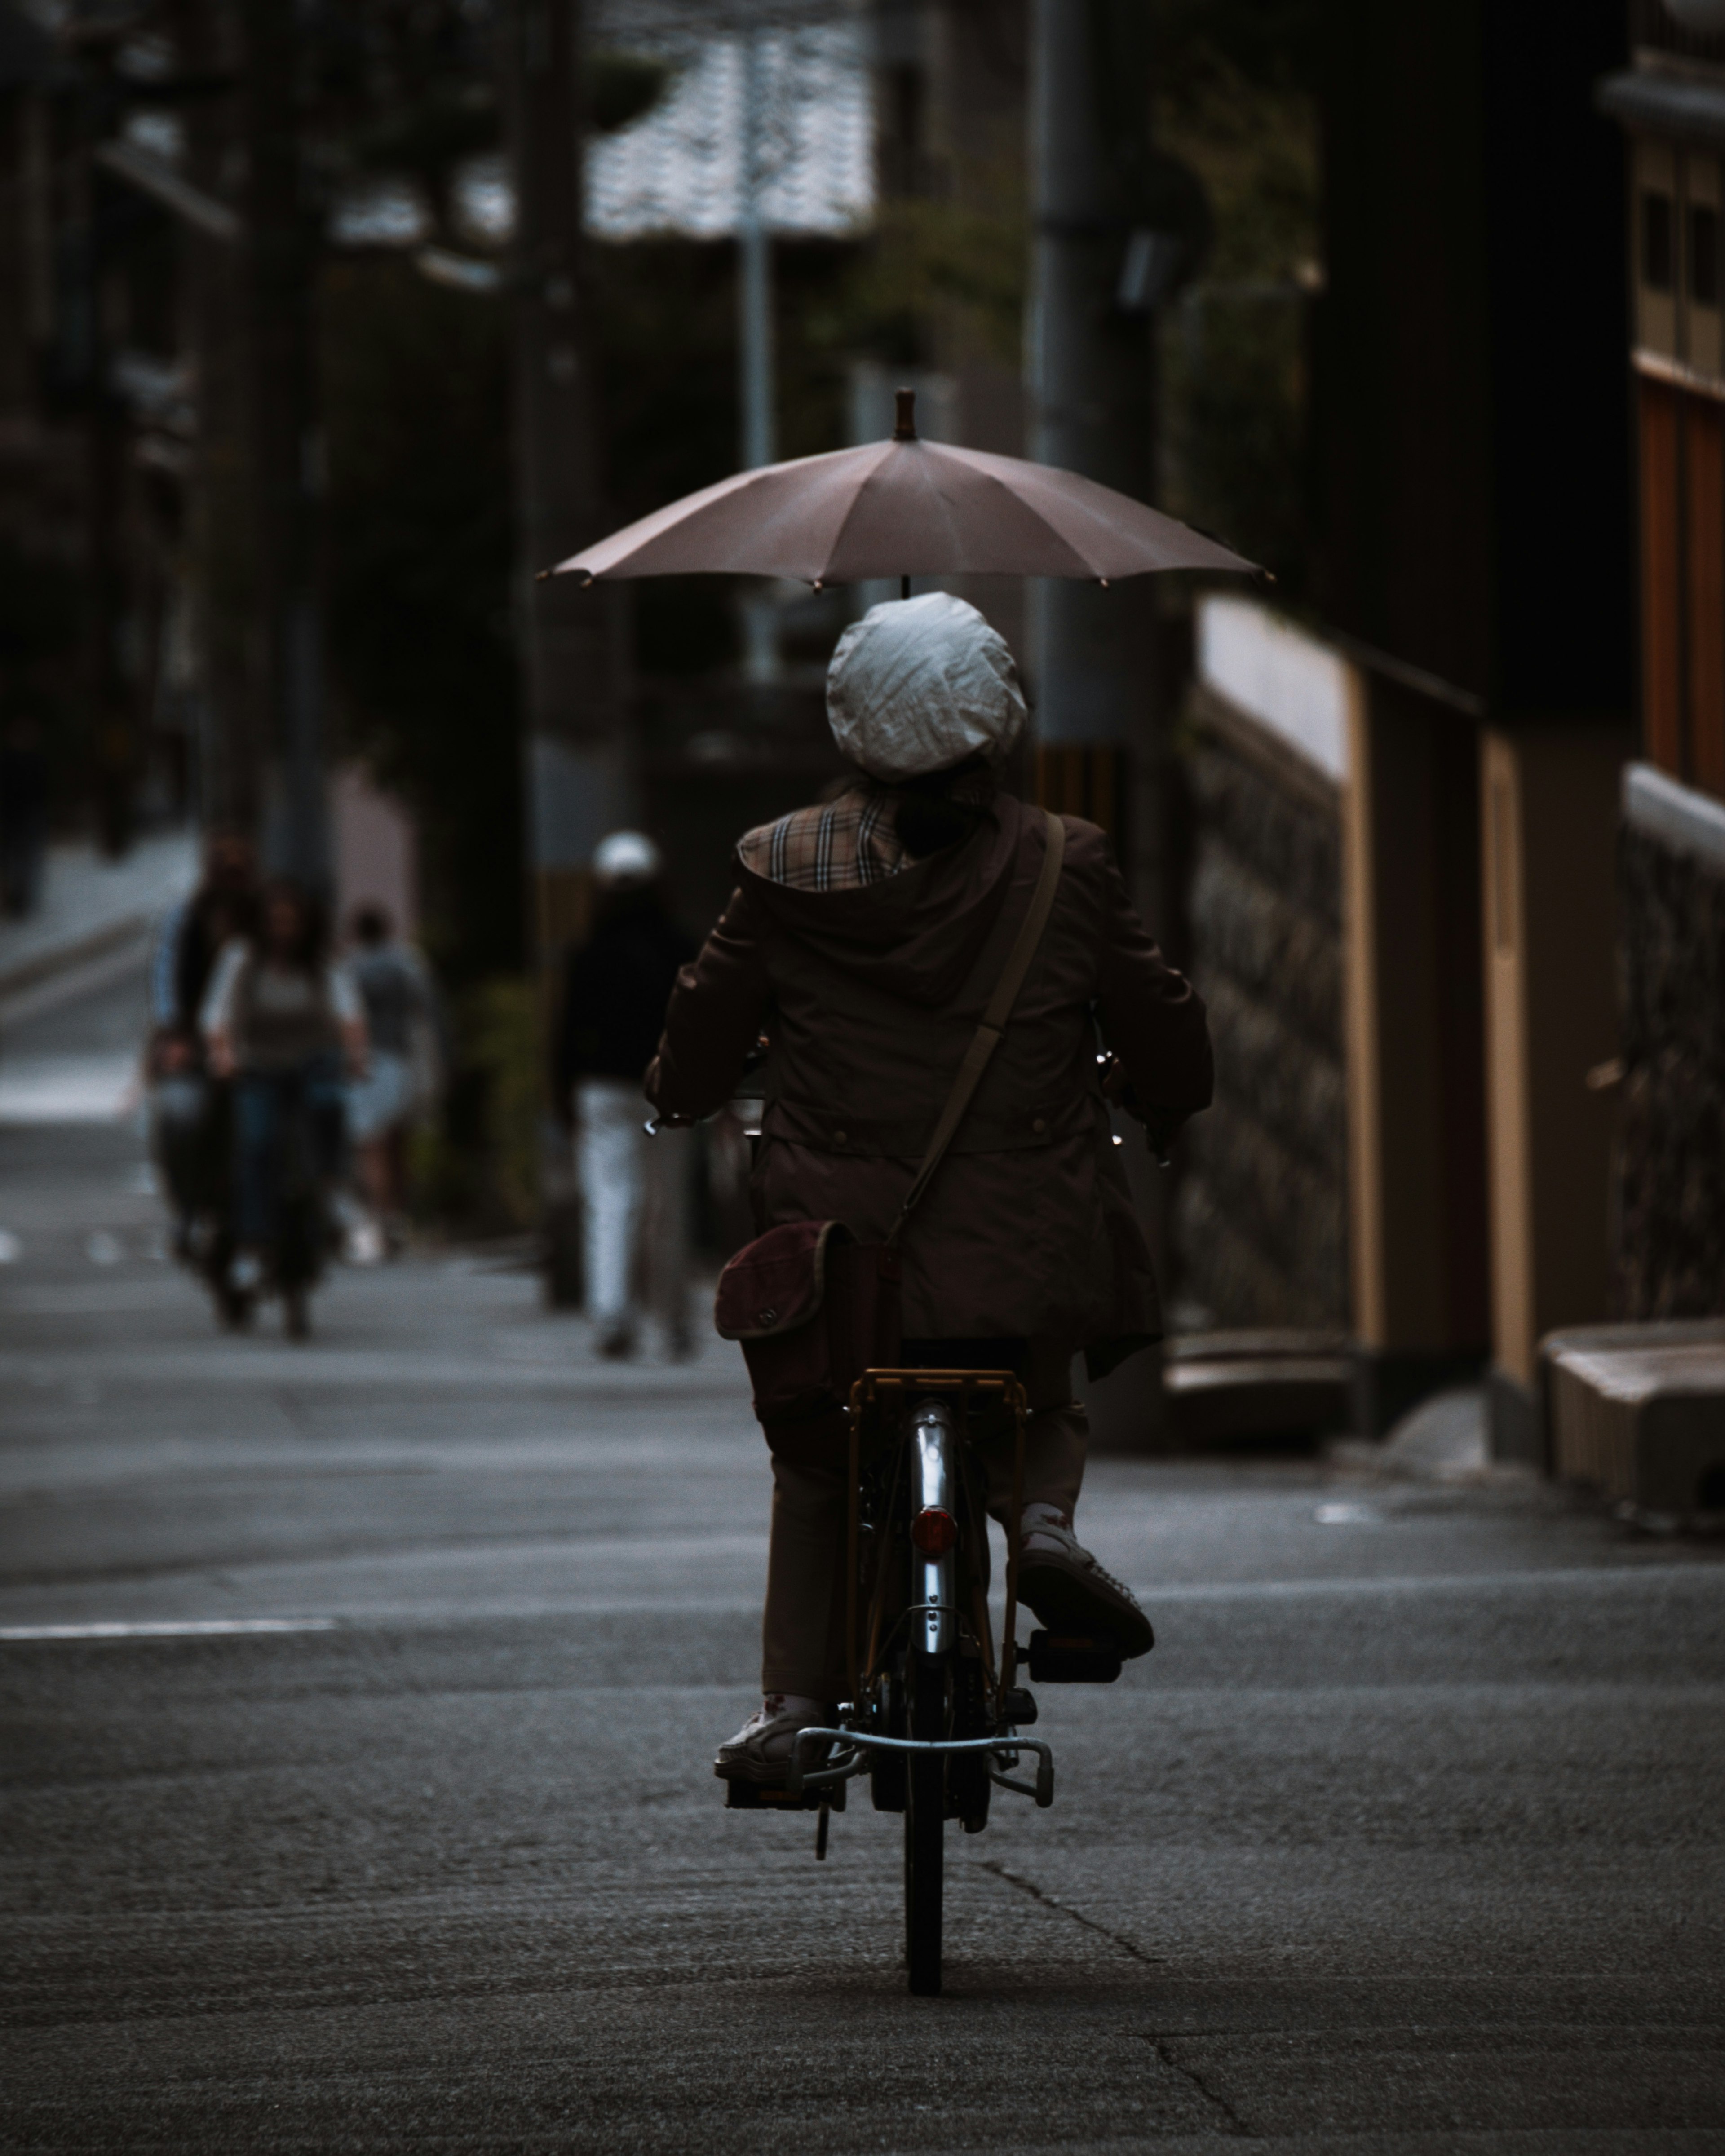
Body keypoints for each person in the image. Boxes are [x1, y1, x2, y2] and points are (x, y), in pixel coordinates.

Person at [642, 592, 1214, 1781]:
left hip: (843, 1262)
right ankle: (1043, 1526)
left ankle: (800, 1708)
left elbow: (704, 1025)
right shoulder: (1071, 862)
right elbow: (1160, 1024)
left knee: (817, 1461)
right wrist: (1167, 1093)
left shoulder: (783, 869)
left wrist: (682, 1089)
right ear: (999, 721)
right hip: (1021, 1242)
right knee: (1037, 1389)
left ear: (852, 732)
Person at [555, 830, 696, 1359]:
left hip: (603, 1089)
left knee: (611, 1202)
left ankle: (612, 1314)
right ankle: (674, 1318)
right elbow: (702, 1023)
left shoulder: (588, 952)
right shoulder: (681, 947)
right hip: (672, 1089)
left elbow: (568, 1033)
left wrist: (561, 1096)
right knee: (668, 1206)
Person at [201, 879, 367, 1295]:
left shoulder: (323, 961)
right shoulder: (241, 959)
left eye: (293, 922)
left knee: (329, 1104)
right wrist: (224, 1057)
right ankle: (253, 1246)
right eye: (276, 921)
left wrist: (356, 1055)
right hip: (258, 1064)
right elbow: (216, 1018)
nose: (284, 930)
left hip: (313, 1059)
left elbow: (350, 1016)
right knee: (257, 1145)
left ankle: (333, 1189)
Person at [147, 831, 259, 1257]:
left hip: (258, 1045)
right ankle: (188, 1210)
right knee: (181, 1118)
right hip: (195, 1044)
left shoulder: (266, 919)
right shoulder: (186, 919)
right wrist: (174, 1034)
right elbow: (167, 979)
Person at [343, 903, 446, 1252]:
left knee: (373, 1144)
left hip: (365, 1061)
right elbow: (429, 1010)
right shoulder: (406, 962)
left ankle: (382, 1216)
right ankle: (397, 1215)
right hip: (401, 1058)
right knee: (396, 1141)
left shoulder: (351, 968)